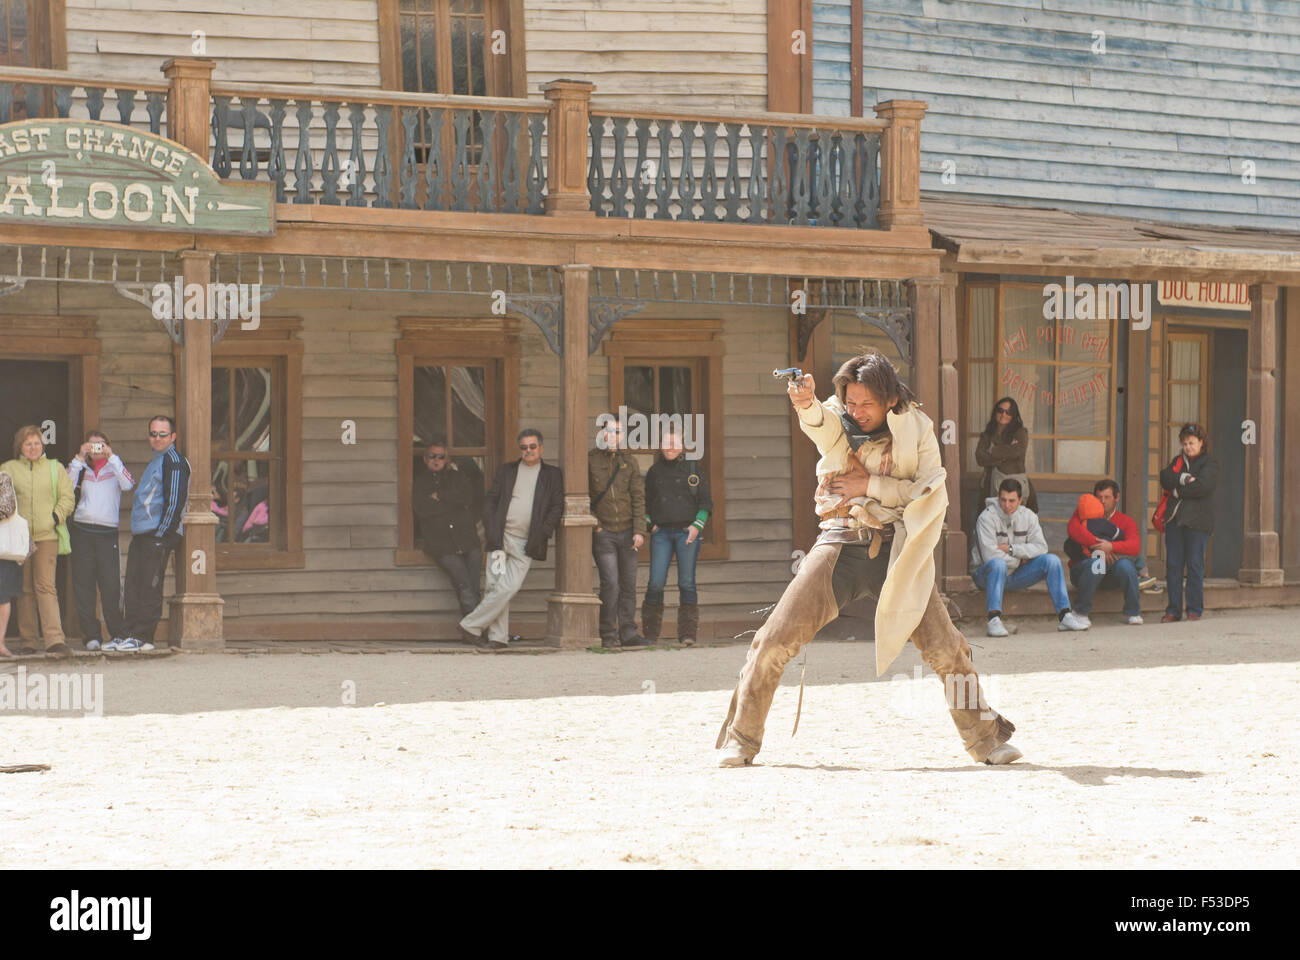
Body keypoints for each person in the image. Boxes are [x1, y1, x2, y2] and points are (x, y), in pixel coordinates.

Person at [716, 351, 1021, 767]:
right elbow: (822, 426)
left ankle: (987, 741)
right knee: (773, 640)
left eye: (866, 404)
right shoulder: (840, 419)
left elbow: (931, 493)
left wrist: (870, 483)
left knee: (947, 648)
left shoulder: (919, 428)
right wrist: (806, 402)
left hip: (898, 549)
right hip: (840, 543)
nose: (856, 412)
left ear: (890, 399)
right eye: (851, 402)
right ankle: (742, 739)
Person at [459, 429, 563, 650]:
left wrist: (544, 531)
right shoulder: (508, 471)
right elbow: (490, 500)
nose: (528, 451)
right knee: (495, 586)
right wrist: (491, 526)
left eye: (532, 447)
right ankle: (498, 638)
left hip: (528, 542)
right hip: (501, 539)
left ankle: (470, 625)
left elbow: (556, 506)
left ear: (541, 448)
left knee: (508, 588)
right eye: (524, 447)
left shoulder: (552, 475)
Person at [970, 478, 1088, 637]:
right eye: (1003, 500)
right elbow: (989, 556)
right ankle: (994, 620)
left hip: (1015, 576)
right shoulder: (986, 518)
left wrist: (1012, 549)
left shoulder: (1029, 516)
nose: (1007, 505)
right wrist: (1020, 560)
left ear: (1020, 500)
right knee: (998, 564)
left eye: (1012, 501)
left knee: (1051, 561)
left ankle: (1065, 615)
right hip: (986, 576)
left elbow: (1041, 547)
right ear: (998, 499)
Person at [0, 425, 75, 655]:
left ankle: (54, 640)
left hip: (46, 536)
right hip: (19, 540)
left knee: (46, 587)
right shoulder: (8, 468)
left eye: (36, 443)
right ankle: (29, 642)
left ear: (42, 445)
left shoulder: (56, 468)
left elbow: (67, 498)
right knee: (24, 590)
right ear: (20, 447)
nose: (33, 448)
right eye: (27, 444)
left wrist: (55, 517)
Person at [120, 415, 190, 652]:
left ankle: (144, 637)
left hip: (157, 535)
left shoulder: (174, 461)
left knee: (149, 587)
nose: (157, 438)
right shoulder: (156, 460)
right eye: (153, 433)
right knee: (133, 586)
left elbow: (174, 501)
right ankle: (130, 634)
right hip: (142, 535)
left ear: (172, 437)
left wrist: (162, 535)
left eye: (162, 434)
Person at [641, 425, 712, 646]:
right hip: (661, 534)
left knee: (687, 583)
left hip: (686, 534)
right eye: (666, 443)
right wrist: (650, 525)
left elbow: (706, 502)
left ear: (681, 446)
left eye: (674, 443)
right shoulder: (654, 473)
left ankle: (688, 635)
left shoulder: (693, 469)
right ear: (660, 446)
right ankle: (650, 635)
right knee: (655, 582)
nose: (670, 447)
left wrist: (696, 526)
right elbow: (643, 504)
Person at [67, 430, 134, 651]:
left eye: (100, 444)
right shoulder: (82, 469)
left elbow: (128, 484)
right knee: (84, 584)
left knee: (110, 585)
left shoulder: (114, 468)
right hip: (83, 531)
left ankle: (117, 633)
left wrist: (112, 457)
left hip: (107, 533)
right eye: (91, 444)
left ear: (108, 445)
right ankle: (91, 636)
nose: (96, 448)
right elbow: (65, 487)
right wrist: (79, 458)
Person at [588, 416, 647, 649]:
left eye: (618, 432)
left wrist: (640, 530)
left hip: (628, 532)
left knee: (629, 584)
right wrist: (596, 525)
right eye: (609, 431)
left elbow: (638, 498)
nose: (613, 436)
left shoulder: (630, 462)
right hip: (604, 533)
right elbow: (583, 495)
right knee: (610, 583)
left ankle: (628, 632)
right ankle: (607, 633)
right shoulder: (590, 460)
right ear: (602, 434)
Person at [413, 441, 483, 620]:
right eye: (432, 456)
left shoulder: (458, 478)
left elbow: (468, 497)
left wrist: (441, 497)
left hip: (468, 540)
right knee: (465, 585)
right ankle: (474, 628)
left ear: (446, 459)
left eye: (441, 456)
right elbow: (422, 509)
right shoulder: (419, 482)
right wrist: (455, 505)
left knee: (474, 586)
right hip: (442, 544)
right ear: (425, 459)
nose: (436, 460)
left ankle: (473, 628)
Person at [1159, 423, 1219, 623]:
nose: (1188, 447)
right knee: (1173, 565)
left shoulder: (1210, 463)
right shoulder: (1178, 461)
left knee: (1194, 565)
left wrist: (1177, 491)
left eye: (1192, 443)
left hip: (1199, 522)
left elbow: (1202, 487)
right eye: (1184, 443)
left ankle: (1194, 609)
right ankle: (1173, 610)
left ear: (1201, 442)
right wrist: (1183, 478)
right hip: (1175, 520)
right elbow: (1165, 477)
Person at [1065, 479, 1143, 625]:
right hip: (1083, 572)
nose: (1102, 501)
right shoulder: (1083, 514)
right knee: (1097, 562)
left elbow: (1135, 546)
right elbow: (1073, 529)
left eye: (1107, 497)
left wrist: (1111, 547)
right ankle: (1080, 612)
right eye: (1099, 497)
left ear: (1116, 497)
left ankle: (1133, 612)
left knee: (1125, 565)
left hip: (1112, 575)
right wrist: (1099, 545)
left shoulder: (1126, 521)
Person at [975, 396, 1037, 512]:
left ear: (1013, 415)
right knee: (992, 518)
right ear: (995, 412)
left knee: (1015, 519)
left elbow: (1018, 451)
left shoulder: (1020, 432)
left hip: (1014, 484)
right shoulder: (987, 434)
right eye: (1000, 410)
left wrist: (993, 450)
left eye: (1008, 412)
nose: (1003, 414)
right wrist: (1003, 455)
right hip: (990, 485)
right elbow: (980, 458)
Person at [0, 470, 21, 657]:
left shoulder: (3, 477)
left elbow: (7, 508)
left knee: (3, 595)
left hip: (2, 548)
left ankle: (0, 643)